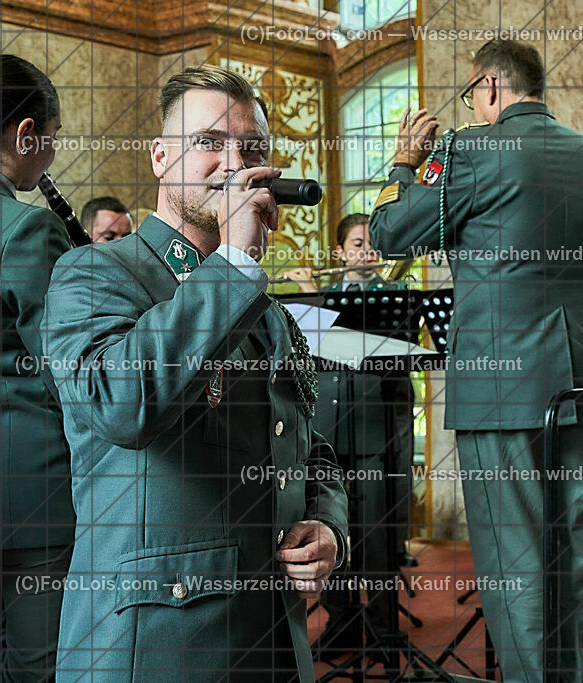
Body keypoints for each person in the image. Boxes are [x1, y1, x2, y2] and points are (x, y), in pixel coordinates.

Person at [42, 64, 347, 681]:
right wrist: (234, 262)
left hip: (272, 641)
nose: (235, 164)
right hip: (156, 644)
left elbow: (306, 445)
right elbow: (120, 406)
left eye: (252, 149)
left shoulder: (267, 308)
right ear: (160, 158)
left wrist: (328, 524)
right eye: (209, 143)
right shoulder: (95, 275)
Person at [368, 38, 583, 682]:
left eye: (472, 96)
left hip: (501, 384)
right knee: (572, 555)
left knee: (518, 561)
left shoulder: (469, 150)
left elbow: (391, 234)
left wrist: (405, 161)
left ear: (488, 88)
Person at [283, 213, 416, 649]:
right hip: (330, 434)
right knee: (333, 526)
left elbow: (374, 353)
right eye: (357, 244)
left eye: (373, 244)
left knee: (377, 534)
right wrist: (310, 297)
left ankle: (383, 623)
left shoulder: (396, 296)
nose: (367, 251)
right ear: (339, 253)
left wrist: (312, 295)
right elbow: (307, 352)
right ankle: (342, 620)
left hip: (376, 431)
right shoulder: (320, 299)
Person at [0, 53, 75, 682]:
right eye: (53, 136)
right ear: (25, 135)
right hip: (29, 491)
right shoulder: (26, 229)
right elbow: (65, 370)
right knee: (39, 666)